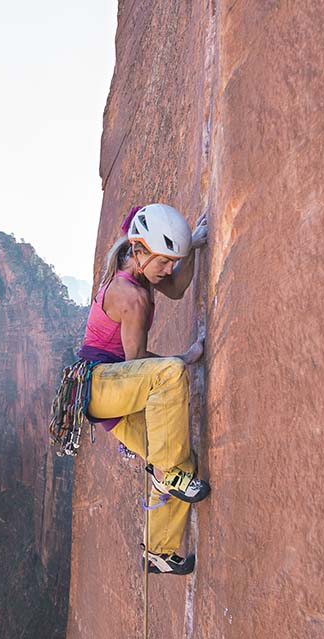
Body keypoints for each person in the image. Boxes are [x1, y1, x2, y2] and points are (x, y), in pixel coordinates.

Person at [78, 203, 209, 575]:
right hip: (102, 385)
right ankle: (168, 474)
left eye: (172, 261)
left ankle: (158, 553)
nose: (168, 270)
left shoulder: (143, 274)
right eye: (164, 262)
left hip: (115, 390)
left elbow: (178, 289)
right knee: (169, 372)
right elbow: (137, 362)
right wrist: (183, 357)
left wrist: (193, 250)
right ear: (138, 251)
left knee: (180, 458)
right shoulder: (130, 295)